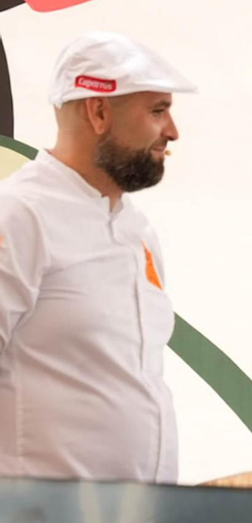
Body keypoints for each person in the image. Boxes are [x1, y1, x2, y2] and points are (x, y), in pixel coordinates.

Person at [0, 32, 192, 483]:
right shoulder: (20, 214)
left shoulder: (137, 229)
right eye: (158, 110)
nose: (173, 131)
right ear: (99, 110)